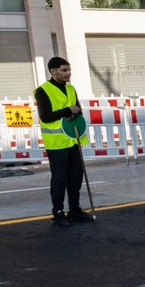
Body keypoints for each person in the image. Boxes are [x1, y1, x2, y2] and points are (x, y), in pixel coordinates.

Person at [34, 56, 93, 227]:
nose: (68, 73)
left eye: (69, 70)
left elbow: (78, 109)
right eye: (64, 70)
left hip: (74, 139)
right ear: (53, 71)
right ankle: (58, 213)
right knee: (59, 179)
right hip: (57, 143)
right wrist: (68, 110)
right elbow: (45, 116)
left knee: (75, 178)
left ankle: (74, 210)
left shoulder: (71, 88)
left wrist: (74, 112)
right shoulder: (42, 90)